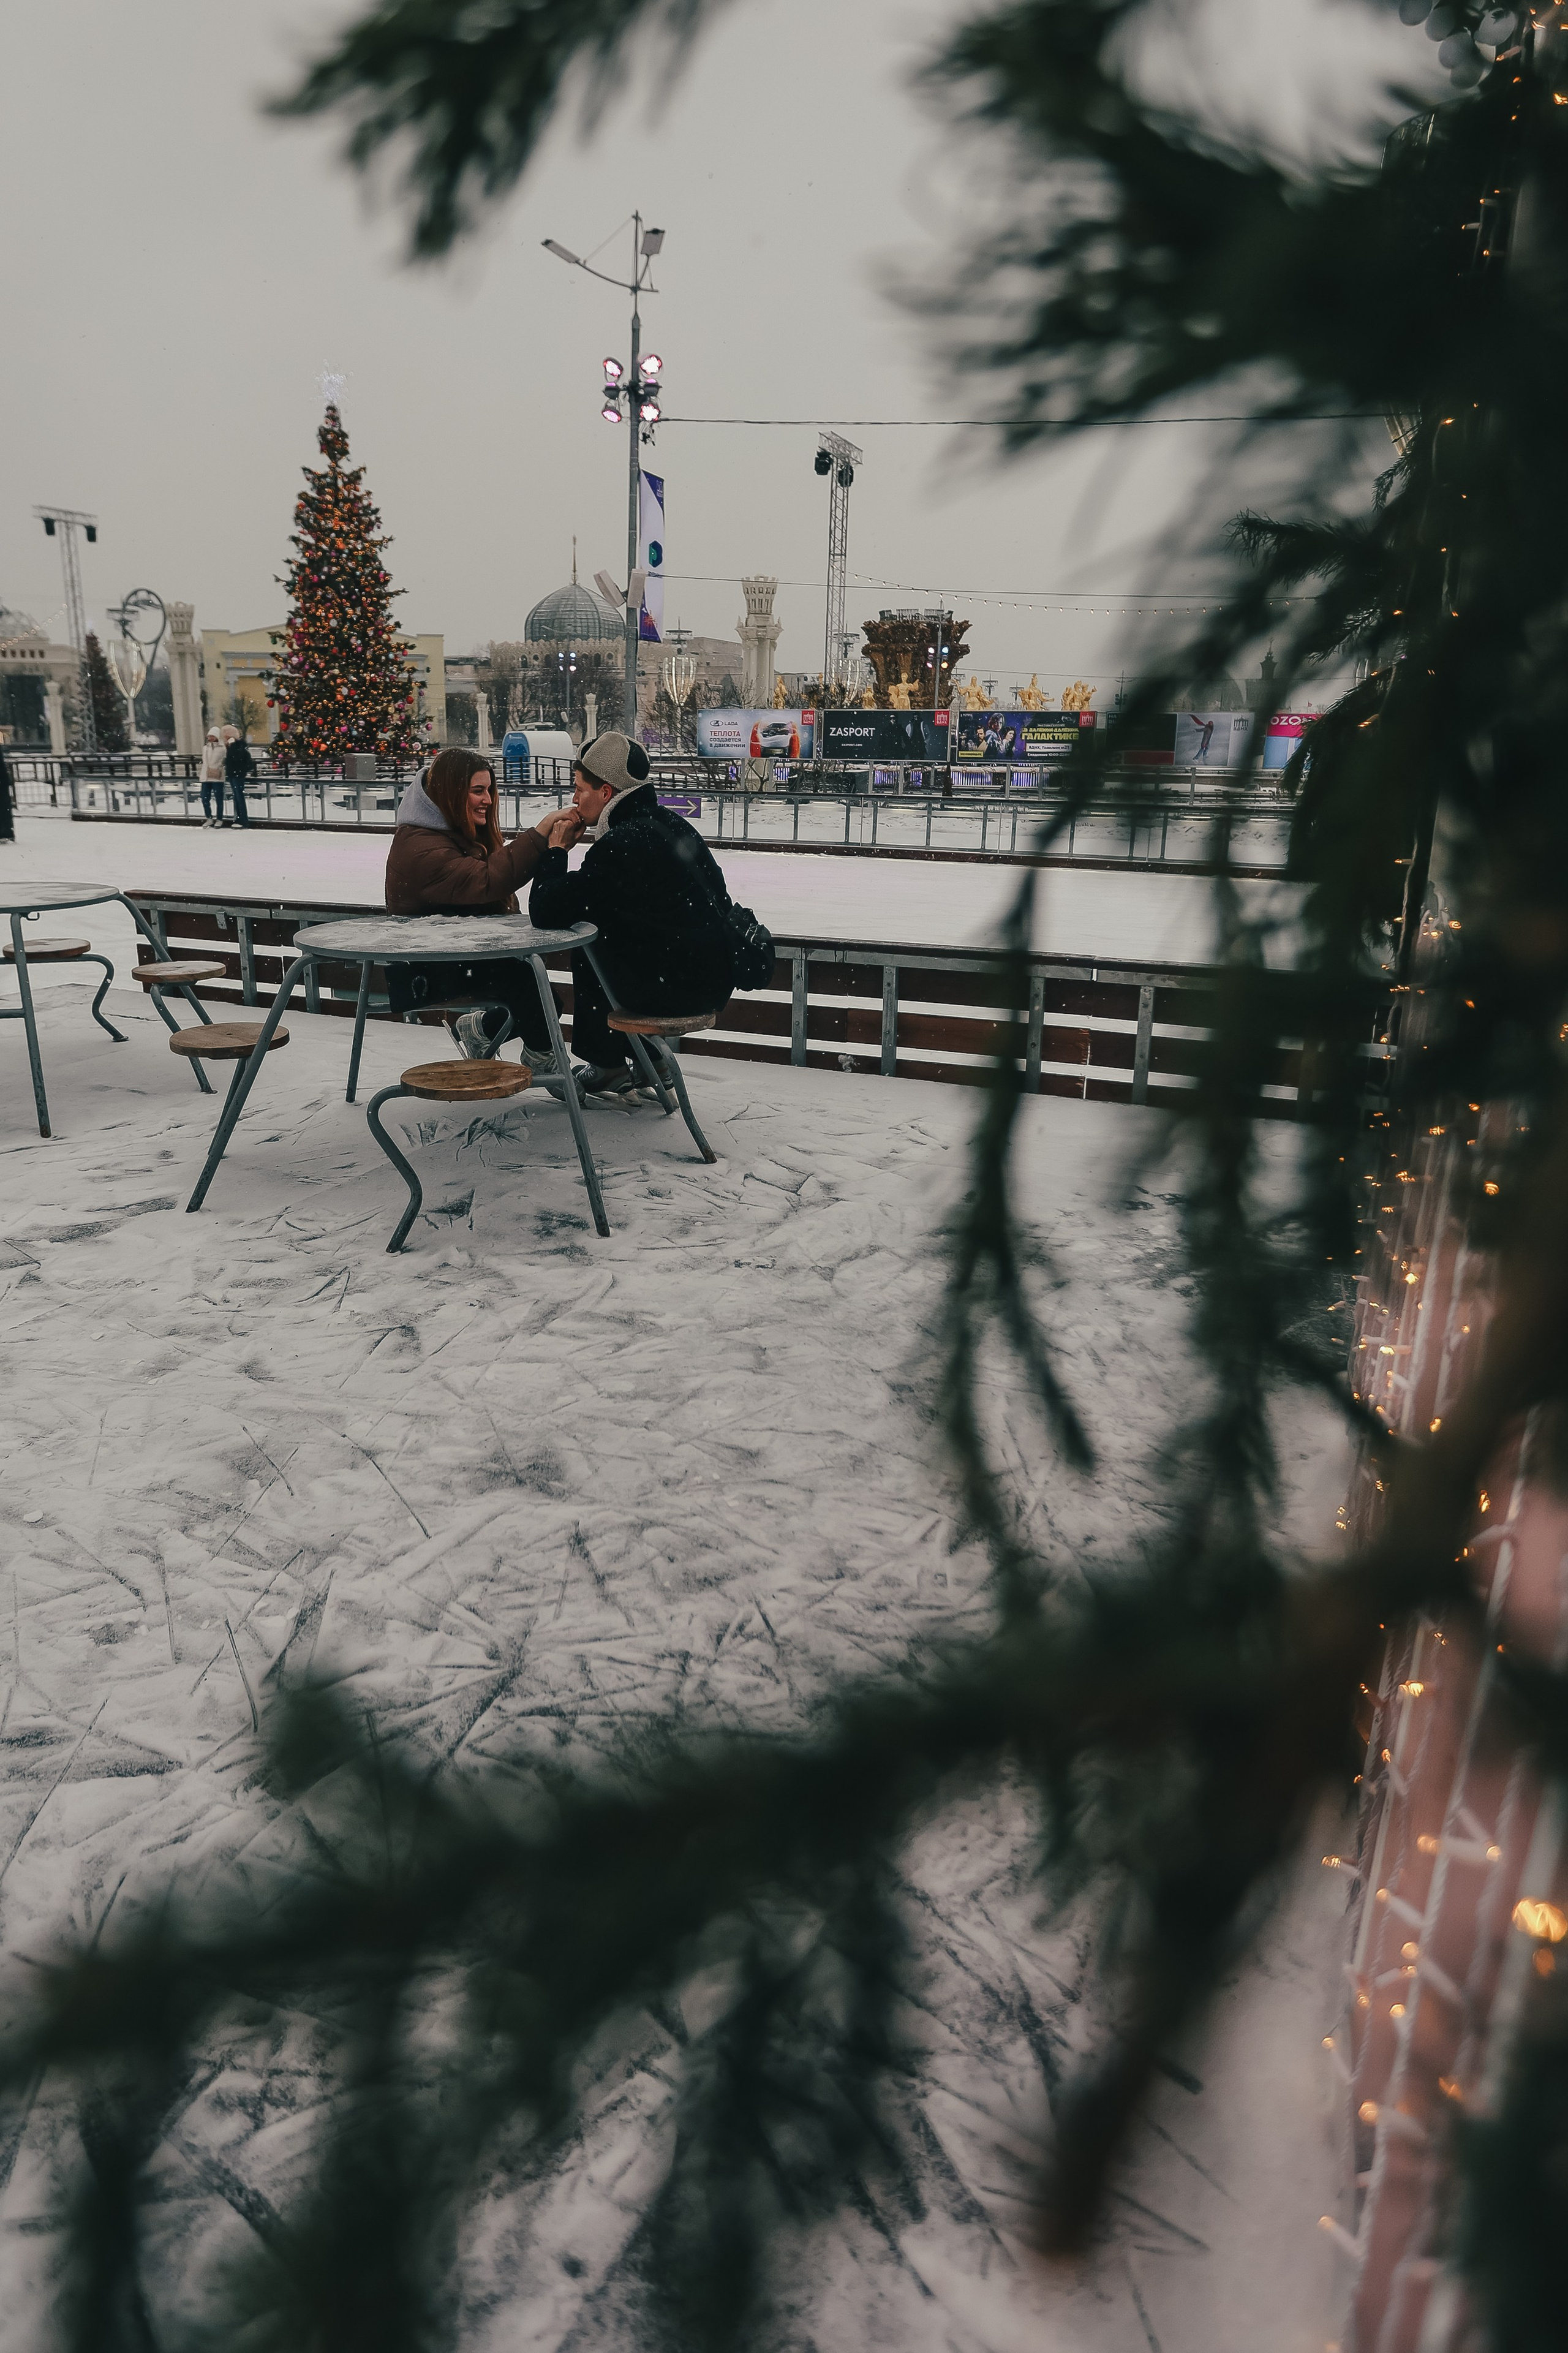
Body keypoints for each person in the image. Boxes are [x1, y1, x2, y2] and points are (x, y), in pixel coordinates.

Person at [529, 731, 737, 1095]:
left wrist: (557, 851)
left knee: (591, 940)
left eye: (580, 789)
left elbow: (546, 910)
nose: (574, 799)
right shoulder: (666, 824)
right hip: (708, 979)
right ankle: (648, 1061)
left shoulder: (624, 844)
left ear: (606, 792)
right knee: (609, 928)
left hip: (679, 991)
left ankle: (608, 1065)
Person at [384, 746, 564, 1076]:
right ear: (452, 794)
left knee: (544, 997)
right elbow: (485, 880)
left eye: (490, 790)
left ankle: (481, 1031)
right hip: (430, 969)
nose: (489, 800)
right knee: (537, 993)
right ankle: (546, 1068)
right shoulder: (421, 847)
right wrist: (540, 839)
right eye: (478, 791)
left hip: (458, 954)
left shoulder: (448, 833)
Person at [222, 726, 256, 827]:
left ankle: (242, 819)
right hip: (235, 774)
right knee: (237, 796)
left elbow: (235, 758)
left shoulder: (235, 746)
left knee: (239, 796)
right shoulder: (236, 746)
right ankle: (240, 818)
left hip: (237, 774)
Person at [200, 728, 226, 826]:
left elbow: (224, 760)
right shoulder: (205, 748)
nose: (210, 738)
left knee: (219, 799)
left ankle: (219, 819)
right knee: (204, 798)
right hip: (206, 776)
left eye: (212, 736)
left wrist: (219, 766)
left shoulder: (223, 748)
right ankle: (209, 818)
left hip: (217, 776)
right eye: (209, 736)